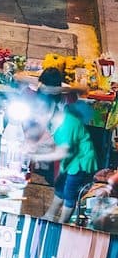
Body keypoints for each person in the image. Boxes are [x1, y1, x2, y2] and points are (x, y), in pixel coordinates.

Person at [31, 84, 101, 220]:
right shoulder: (54, 119)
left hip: (81, 161)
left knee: (69, 194)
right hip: (71, 159)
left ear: (51, 107)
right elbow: (54, 142)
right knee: (59, 188)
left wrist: (36, 156)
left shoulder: (66, 124)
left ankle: (62, 224)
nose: (38, 115)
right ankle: (50, 216)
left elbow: (62, 153)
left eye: (40, 111)